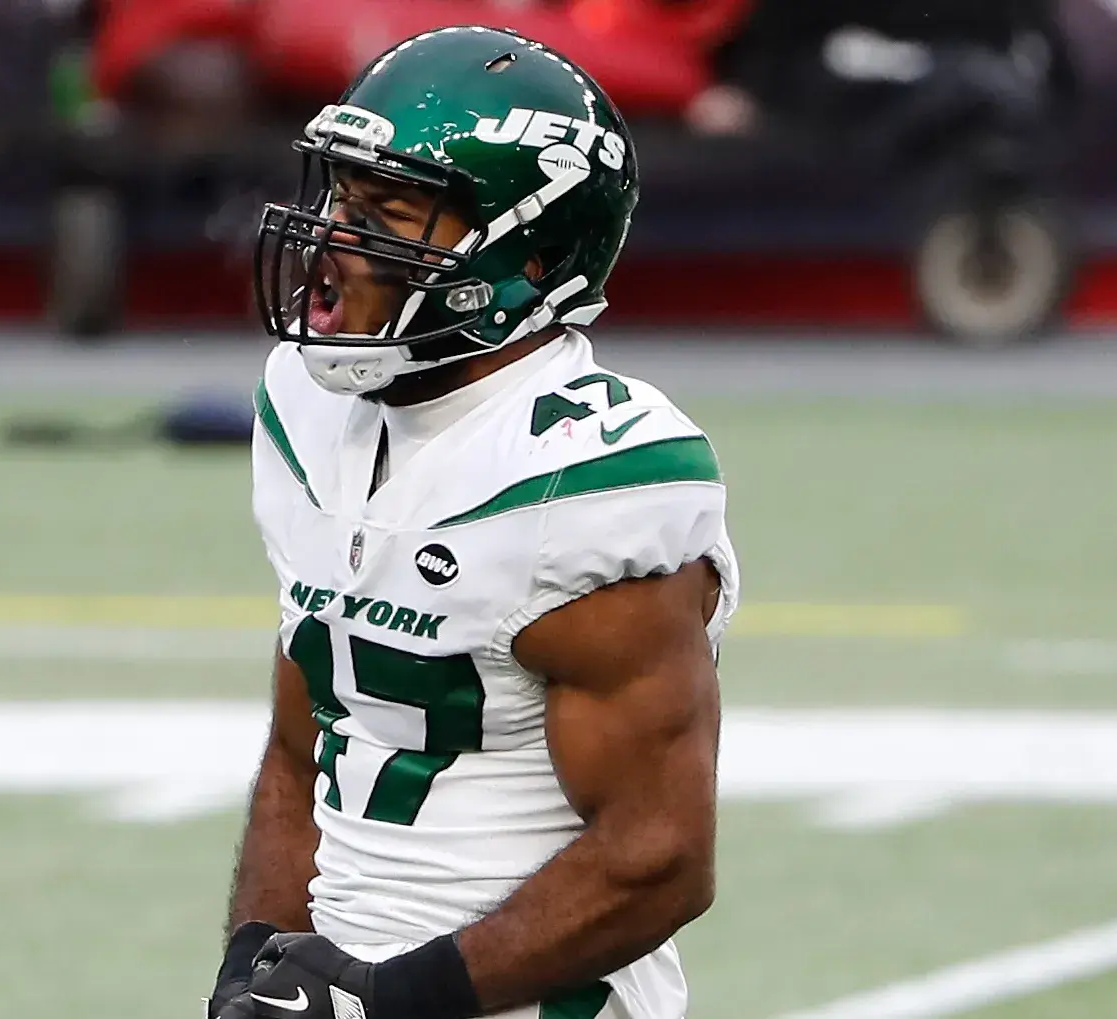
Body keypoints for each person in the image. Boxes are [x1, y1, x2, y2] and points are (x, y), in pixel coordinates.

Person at [217, 26, 741, 1019]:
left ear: (529, 252)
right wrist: (252, 963)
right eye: (338, 195)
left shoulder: (587, 474)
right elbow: (306, 741)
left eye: (390, 211)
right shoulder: (306, 407)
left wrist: (387, 998)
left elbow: (659, 856)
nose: (334, 240)